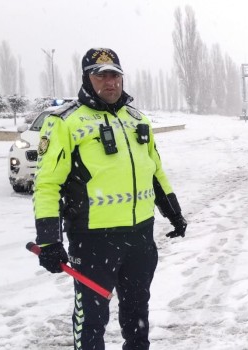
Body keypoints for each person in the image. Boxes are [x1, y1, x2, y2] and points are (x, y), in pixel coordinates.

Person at [32, 48, 187, 350]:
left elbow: (155, 173)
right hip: (93, 240)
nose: (109, 82)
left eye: (114, 75)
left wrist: (174, 215)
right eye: (100, 75)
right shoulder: (65, 122)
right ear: (87, 79)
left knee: (137, 314)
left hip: (140, 237)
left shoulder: (137, 119)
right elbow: (47, 184)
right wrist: (49, 241)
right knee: (91, 319)